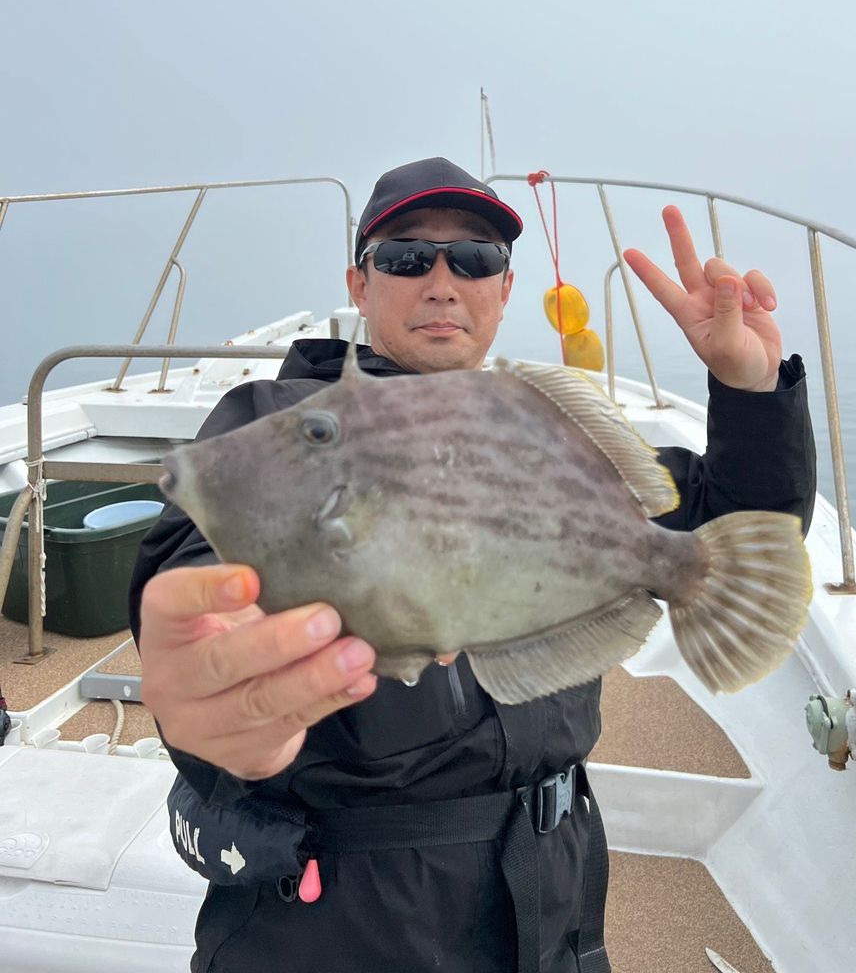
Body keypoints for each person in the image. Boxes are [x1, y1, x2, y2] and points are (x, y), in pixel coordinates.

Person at [130, 156, 816, 973]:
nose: (443, 280)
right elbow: (200, 562)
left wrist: (749, 388)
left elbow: (742, 532)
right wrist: (211, 676)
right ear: (361, 282)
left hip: (554, 893)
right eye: (408, 257)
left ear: (504, 288)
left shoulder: (547, 424)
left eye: (476, 258)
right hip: (348, 921)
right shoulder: (275, 419)